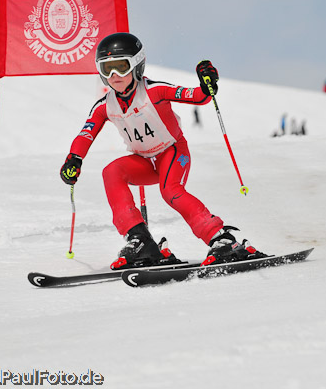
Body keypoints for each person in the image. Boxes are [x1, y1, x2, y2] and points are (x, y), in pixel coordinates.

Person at [60, 32, 260, 270]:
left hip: (172, 152)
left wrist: (208, 84)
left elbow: (197, 97)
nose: (114, 76)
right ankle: (140, 240)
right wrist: (74, 159)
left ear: (137, 64)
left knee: (170, 191)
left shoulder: (154, 90)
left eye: (121, 67)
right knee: (111, 172)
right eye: (107, 69)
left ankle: (221, 239)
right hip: (144, 161)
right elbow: (87, 132)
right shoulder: (105, 105)